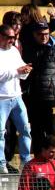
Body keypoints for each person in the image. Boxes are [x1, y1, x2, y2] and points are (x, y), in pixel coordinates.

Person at [20, 21, 55, 150]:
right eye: (40, 34)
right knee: (36, 131)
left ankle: (53, 162)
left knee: (52, 132)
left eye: (46, 34)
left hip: (51, 98)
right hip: (32, 97)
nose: (44, 37)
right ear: (34, 34)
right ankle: (38, 161)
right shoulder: (28, 49)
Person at [0, 24, 33, 174]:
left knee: (26, 129)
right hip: (1, 99)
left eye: (14, 37)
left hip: (16, 96)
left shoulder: (14, 51)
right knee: (1, 132)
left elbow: (20, 71)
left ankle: (25, 161)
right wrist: (17, 71)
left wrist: (25, 70)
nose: (12, 40)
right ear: (1, 36)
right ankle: (1, 163)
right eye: (9, 37)